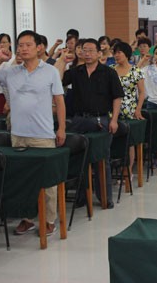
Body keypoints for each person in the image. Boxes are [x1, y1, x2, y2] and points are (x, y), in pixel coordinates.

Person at [0, 30, 66, 236]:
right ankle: (26, 219)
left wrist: (62, 128)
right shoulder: (11, 72)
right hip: (18, 134)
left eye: (28, 45)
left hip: (43, 134)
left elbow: (59, 101)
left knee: (47, 181)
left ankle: (49, 220)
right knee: (22, 180)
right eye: (20, 45)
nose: (23, 48)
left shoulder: (50, 71)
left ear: (39, 48)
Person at [55, 38, 124, 209]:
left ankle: (105, 197)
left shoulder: (109, 72)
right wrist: (62, 61)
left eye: (91, 50)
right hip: (79, 120)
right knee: (79, 159)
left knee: (101, 158)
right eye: (84, 50)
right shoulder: (76, 72)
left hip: (101, 120)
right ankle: (81, 197)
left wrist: (114, 120)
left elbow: (117, 97)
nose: (87, 54)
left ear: (99, 53)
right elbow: (57, 80)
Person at [112, 41, 145, 177]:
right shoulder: (111, 70)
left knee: (129, 141)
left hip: (129, 110)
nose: (116, 55)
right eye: (115, 53)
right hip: (112, 110)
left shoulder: (135, 71)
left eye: (119, 52)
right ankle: (115, 167)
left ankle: (128, 169)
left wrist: (138, 109)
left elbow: (142, 92)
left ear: (126, 54)